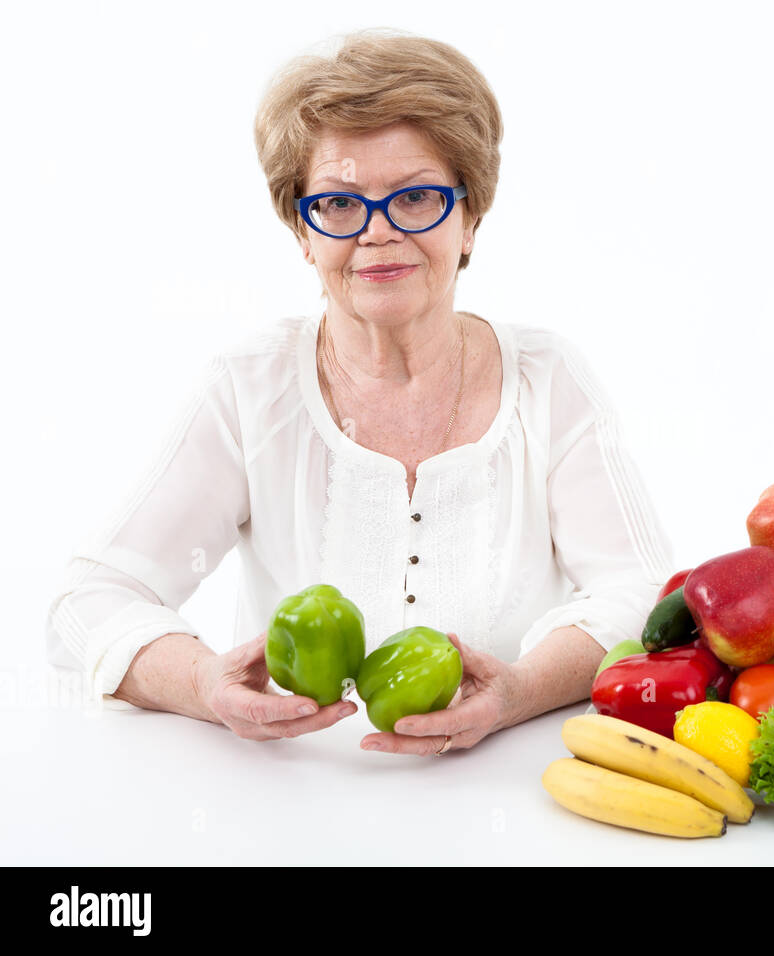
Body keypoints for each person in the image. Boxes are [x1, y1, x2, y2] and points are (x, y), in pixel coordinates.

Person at [44, 28, 674, 756]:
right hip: (286, 813)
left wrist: (518, 693)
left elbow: (644, 594)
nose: (377, 232)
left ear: (470, 222)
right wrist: (202, 685)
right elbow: (85, 600)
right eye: (340, 205)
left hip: (518, 813)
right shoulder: (250, 387)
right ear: (302, 233)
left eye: (417, 198)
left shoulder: (548, 378)